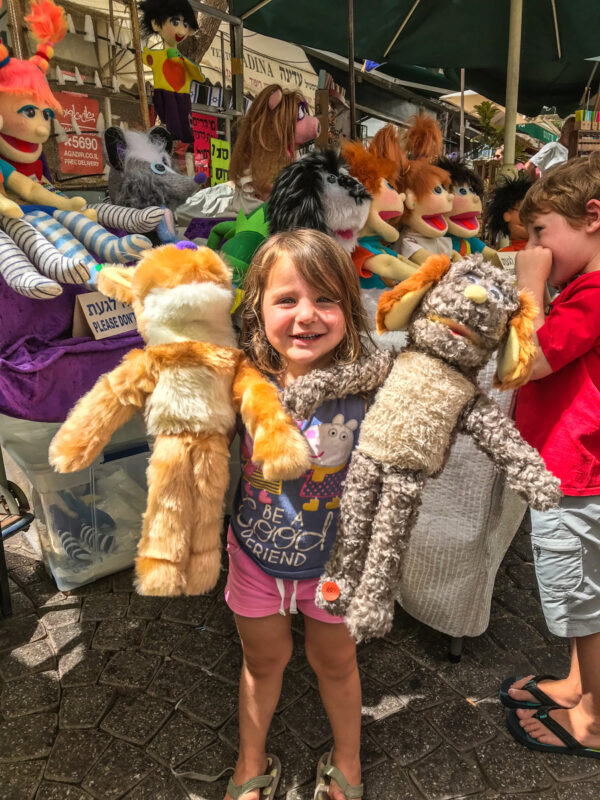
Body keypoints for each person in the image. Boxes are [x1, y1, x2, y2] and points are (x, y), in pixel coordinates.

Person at [224, 229, 370, 800]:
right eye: (286, 299)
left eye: (326, 298)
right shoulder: (240, 381)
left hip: (334, 565)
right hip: (255, 559)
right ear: (257, 309)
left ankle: (349, 759)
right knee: (263, 661)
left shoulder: (371, 390)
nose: (306, 314)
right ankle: (250, 758)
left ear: (349, 310)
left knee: (335, 662)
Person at [498, 154, 600, 760]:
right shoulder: (584, 287)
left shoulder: (590, 291)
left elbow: (524, 363)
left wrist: (528, 283)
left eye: (540, 232)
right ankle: (577, 684)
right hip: (572, 462)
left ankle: (591, 719)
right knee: (586, 584)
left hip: (575, 468)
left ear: (592, 217)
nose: (530, 244)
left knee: (581, 593)